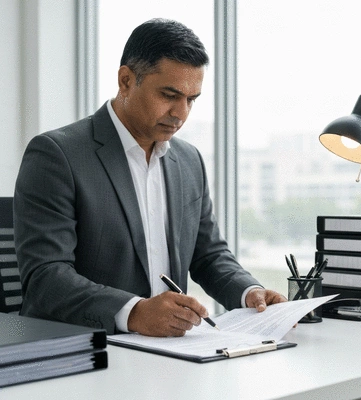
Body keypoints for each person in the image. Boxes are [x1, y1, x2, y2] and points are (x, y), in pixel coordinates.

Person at [14, 18, 286, 337]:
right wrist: (135, 312)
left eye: (191, 99)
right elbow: (46, 277)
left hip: (169, 354)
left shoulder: (188, 160)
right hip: (83, 350)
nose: (181, 113)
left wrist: (248, 293)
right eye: (169, 95)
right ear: (126, 80)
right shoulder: (57, 154)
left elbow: (209, 255)